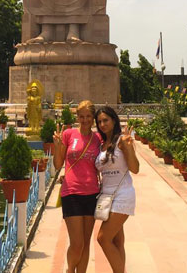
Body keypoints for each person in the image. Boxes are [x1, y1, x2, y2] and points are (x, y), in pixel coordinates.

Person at [53, 100, 101, 273]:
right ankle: (70, 269)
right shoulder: (68, 134)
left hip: (92, 193)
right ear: (77, 117)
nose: (85, 120)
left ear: (93, 118)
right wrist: (57, 146)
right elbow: (58, 164)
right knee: (77, 243)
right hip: (71, 192)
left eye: (88, 116)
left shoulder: (98, 138)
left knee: (86, 243)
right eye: (81, 116)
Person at [94, 106, 139, 273]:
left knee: (103, 238)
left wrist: (128, 148)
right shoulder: (101, 144)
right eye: (99, 122)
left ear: (114, 120)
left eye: (106, 120)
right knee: (117, 241)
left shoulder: (122, 140)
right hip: (107, 196)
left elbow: (135, 168)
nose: (103, 124)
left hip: (122, 195)